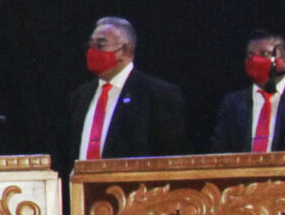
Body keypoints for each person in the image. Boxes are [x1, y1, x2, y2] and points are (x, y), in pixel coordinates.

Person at [60, 18, 190, 169]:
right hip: (80, 190)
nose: (92, 51)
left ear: (125, 50)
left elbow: (173, 159)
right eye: (90, 45)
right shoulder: (80, 97)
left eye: (100, 44)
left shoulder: (157, 94)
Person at [209, 33, 285, 154]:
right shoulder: (232, 103)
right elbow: (219, 151)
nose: (255, 60)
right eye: (249, 55)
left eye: (265, 54)